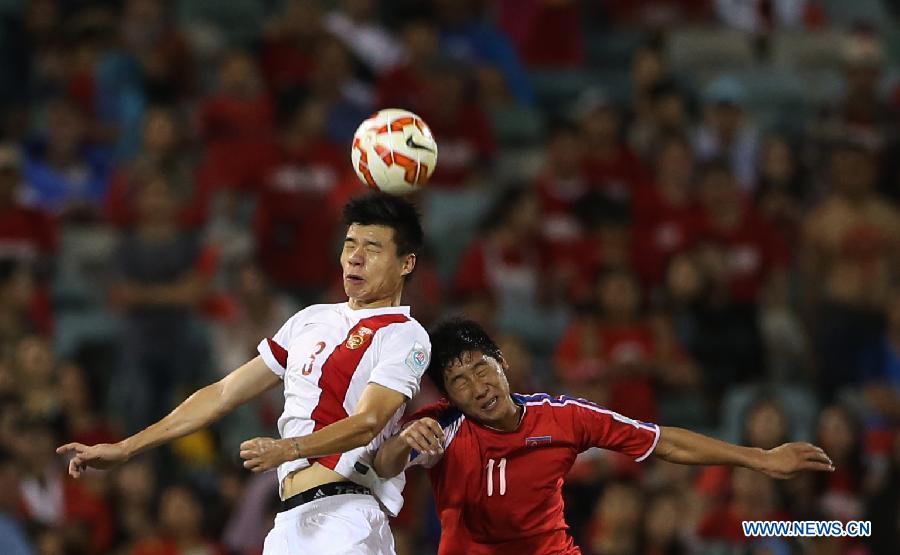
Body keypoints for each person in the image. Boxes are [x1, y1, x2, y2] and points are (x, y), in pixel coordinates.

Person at [57, 193, 432, 555]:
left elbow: (368, 422)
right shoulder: (309, 319)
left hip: (346, 518)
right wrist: (126, 448)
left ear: (406, 264)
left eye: (373, 248)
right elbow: (222, 394)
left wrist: (288, 448)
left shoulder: (405, 334)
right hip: (288, 521)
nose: (356, 258)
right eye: (350, 244)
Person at [374, 318, 835, 554]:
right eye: (460, 381)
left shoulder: (565, 417)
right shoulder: (442, 426)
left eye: (482, 369)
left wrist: (760, 458)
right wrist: (403, 442)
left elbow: (663, 441)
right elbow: (383, 465)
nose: (478, 387)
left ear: (503, 364)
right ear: (449, 393)